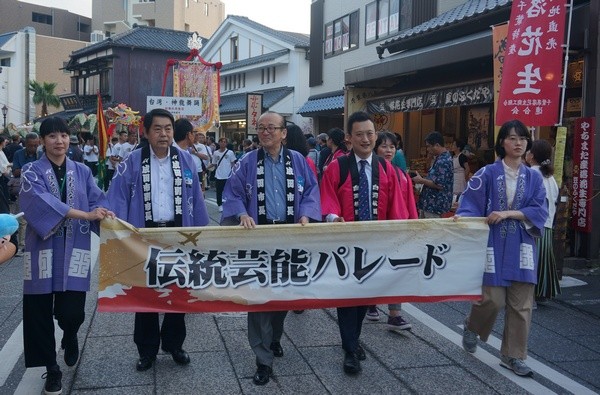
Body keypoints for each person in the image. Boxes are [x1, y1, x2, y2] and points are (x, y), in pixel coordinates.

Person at [221, 110, 320, 386]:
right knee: (258, 299)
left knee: (283, 297)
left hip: (289, 239)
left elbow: (312, 191)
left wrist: (307, 214)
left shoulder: (299, 161)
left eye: (272, 128)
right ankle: (262, 359)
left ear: (283, 133)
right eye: (261, 128)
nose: (265, 132)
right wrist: (241, 213)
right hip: (258, 239)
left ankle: (275, 337)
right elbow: (233, 192)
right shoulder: (247, 162)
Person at [107, 108, 209, 372]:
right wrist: (117, 230)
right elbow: (117, 196)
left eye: (168, 129)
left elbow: (196, 199)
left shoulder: (186, 160)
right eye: (157, 129)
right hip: (144, 235)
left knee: (178, 292)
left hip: (178, 235)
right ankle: (147, 349)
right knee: (145, 294)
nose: (163, 134)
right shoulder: (132, 160)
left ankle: (174, 344)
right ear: (146, 132)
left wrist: (201, 234)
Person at [20, 117, 114, 395]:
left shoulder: (82, 171)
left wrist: (104, 214)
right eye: (52, 136)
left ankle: (70, 334)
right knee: (38, 314)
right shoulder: (30, 171)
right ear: (42, 141)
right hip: (41, 250)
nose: (59, 141)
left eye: (63, 135)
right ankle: (52, 368)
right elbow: (38, 203)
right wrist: (84, 214)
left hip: (75, 247)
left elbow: (98, 198)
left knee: (72, 312)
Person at [457, 119, 547, 378]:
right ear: (502, 143)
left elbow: (539, 210)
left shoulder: (534, 177)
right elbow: (469, 204)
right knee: (492, 300)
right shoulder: (487, 173)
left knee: (522, 305)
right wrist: (462, 220)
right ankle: (472, 326)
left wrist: (508, 213)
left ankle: (513, 355)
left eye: (522, 138)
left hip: (522, 245)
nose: (518, 143)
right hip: (493, 244)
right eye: (512, 138)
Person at [320, 112, 409, 375]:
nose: (366, 138)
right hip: (346, 245)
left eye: (370, 133)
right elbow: (327, 199)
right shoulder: (338, 167)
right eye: (359, 134)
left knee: (366, 296)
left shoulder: (386, 168)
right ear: (349, 138)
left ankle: (353, 339)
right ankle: (350, 350)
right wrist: (334, 217)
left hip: (376, 245)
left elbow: (397, 206)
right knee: (348, 297)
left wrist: (400, 233)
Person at [366, 131, 418, 331]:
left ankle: (395, 314)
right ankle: (370, 303)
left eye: (392, 147)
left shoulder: (402, 174)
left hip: (397, 230)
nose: (388, 151)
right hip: (375, 230)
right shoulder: (370, 171)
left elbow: (409, 203)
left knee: (396, 270)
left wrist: (412, 224)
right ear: (375, 147)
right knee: (373, 268)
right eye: (384, 146)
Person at [525, 139, 560, 304]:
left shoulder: (531, 173)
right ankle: (541, 292)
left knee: (531, 259)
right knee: (542, 258)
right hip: (548, 223)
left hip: (534, 224)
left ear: (531, 155)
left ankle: (530, 294)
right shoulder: (550, 177)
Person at [411, 131, 453, 218]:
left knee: (431, 230)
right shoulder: (441, 158)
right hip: (430, 204)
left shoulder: (443, 161)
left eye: (429, 146)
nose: (427, 149)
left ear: (437, 145)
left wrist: (421, 180)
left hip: (435, 205)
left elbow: (440, 185)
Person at [11, 132, 40, 253]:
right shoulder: (19, 154)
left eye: (35, 145)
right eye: (30, 145)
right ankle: (22, 245)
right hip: (23, 189)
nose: (33, 148)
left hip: (38, 190)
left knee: (38, 216)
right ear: (25, 144)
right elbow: (15, 172)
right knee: (22, 219)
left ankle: (36, 242)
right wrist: (32, 169)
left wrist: (25, 169)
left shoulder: (41, 154)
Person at [211, 137, 236, 212]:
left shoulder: (230, 152)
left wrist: (234, 173)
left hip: (228, 175)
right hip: (219, 175)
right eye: (221, 142)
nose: (223, 143)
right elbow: (214, 163)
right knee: (219, 191)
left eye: (225, 142)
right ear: (219, 143)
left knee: (229, 191)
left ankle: (229, 204)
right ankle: (220, 205)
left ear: (226, 143)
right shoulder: (215, 153)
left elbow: (233, 163)